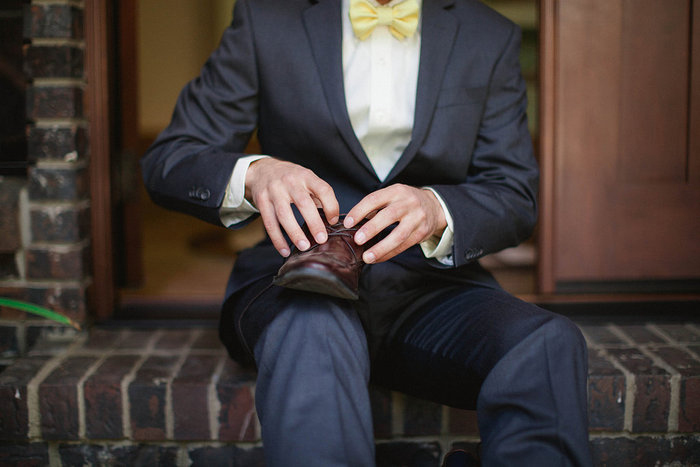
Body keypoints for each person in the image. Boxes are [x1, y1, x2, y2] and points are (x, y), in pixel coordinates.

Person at [141, 0, 593, 465]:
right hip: (299, 276)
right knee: (311, 332)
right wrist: (256, 173)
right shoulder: (267, 18)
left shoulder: (488, 34)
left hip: (432, 287)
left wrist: (437, 208)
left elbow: (515, 195)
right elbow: (170, 159)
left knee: (547, 343)